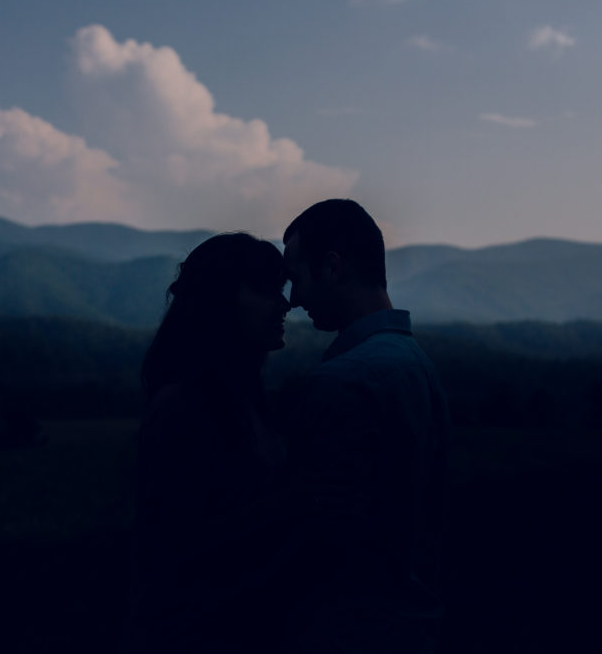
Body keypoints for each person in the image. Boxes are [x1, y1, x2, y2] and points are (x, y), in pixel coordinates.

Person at [280, 199, 450, 653]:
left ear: (333, 267)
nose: (293, 300)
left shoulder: (343, 380)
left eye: (296, 278)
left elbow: (323, 541)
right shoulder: (418, 365)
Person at [129, 233, 291, 653]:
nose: (284, 304)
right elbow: (176, 546)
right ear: (219, 300)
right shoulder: (183, 407)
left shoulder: (246, 402)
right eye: (264, 289)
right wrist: (302, 500)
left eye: (281, 290)